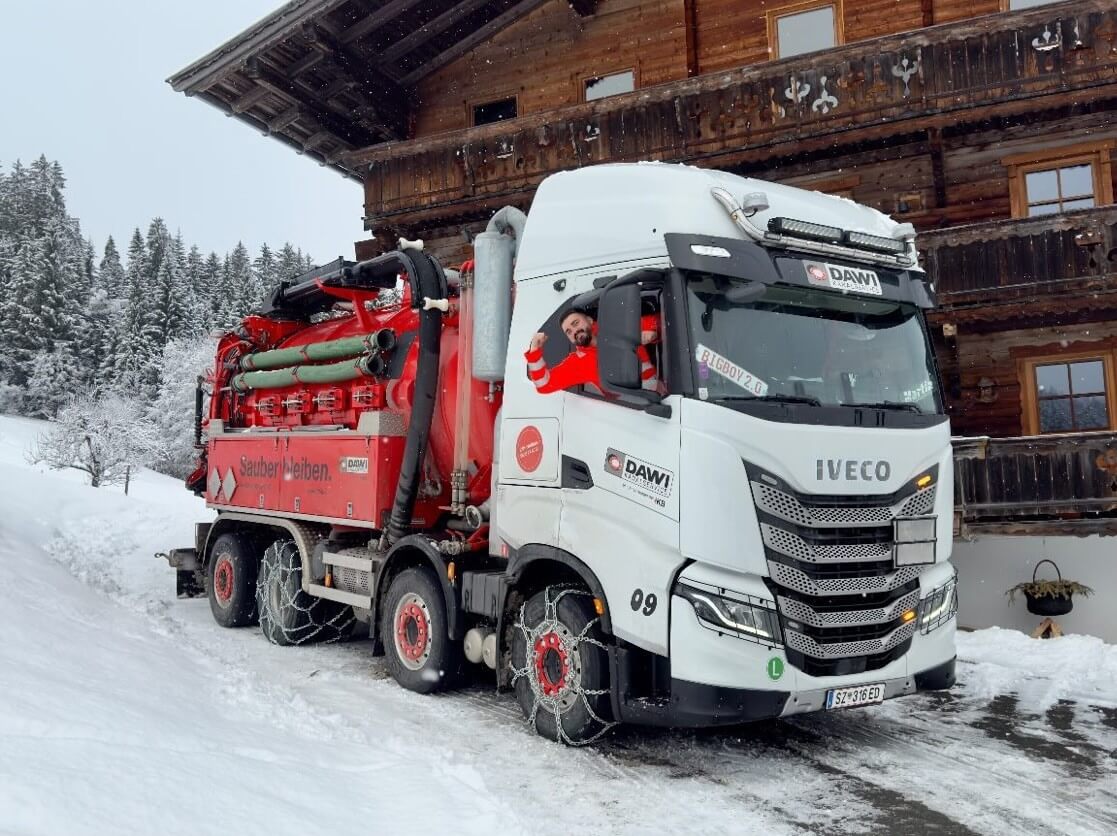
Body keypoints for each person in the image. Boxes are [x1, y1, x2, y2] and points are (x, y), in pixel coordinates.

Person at [525, 307, 659, 395]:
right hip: (635, 408)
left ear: (589, 320)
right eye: (569, 332)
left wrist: (653, 334)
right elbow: (544, 384)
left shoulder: (617, 327)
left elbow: (662, 323)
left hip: (663, 393)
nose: (574, 331)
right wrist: (534, 350)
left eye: (575, 323)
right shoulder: (578, 363)